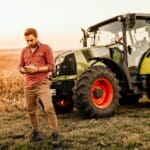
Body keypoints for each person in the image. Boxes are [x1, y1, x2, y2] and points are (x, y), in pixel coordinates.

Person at [19, 28, 59, 145]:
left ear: (36, 37)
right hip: (28, 84)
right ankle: (36, 132)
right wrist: (23, 69)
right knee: (31, 110)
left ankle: (55, 133)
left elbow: (51, 67)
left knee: (49, 108)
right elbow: (20, 66)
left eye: (31, 40)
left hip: (42, 83)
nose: (29, 43)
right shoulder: (24, 51)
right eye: (27, 41)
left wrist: (36, 69)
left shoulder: (46, 48)